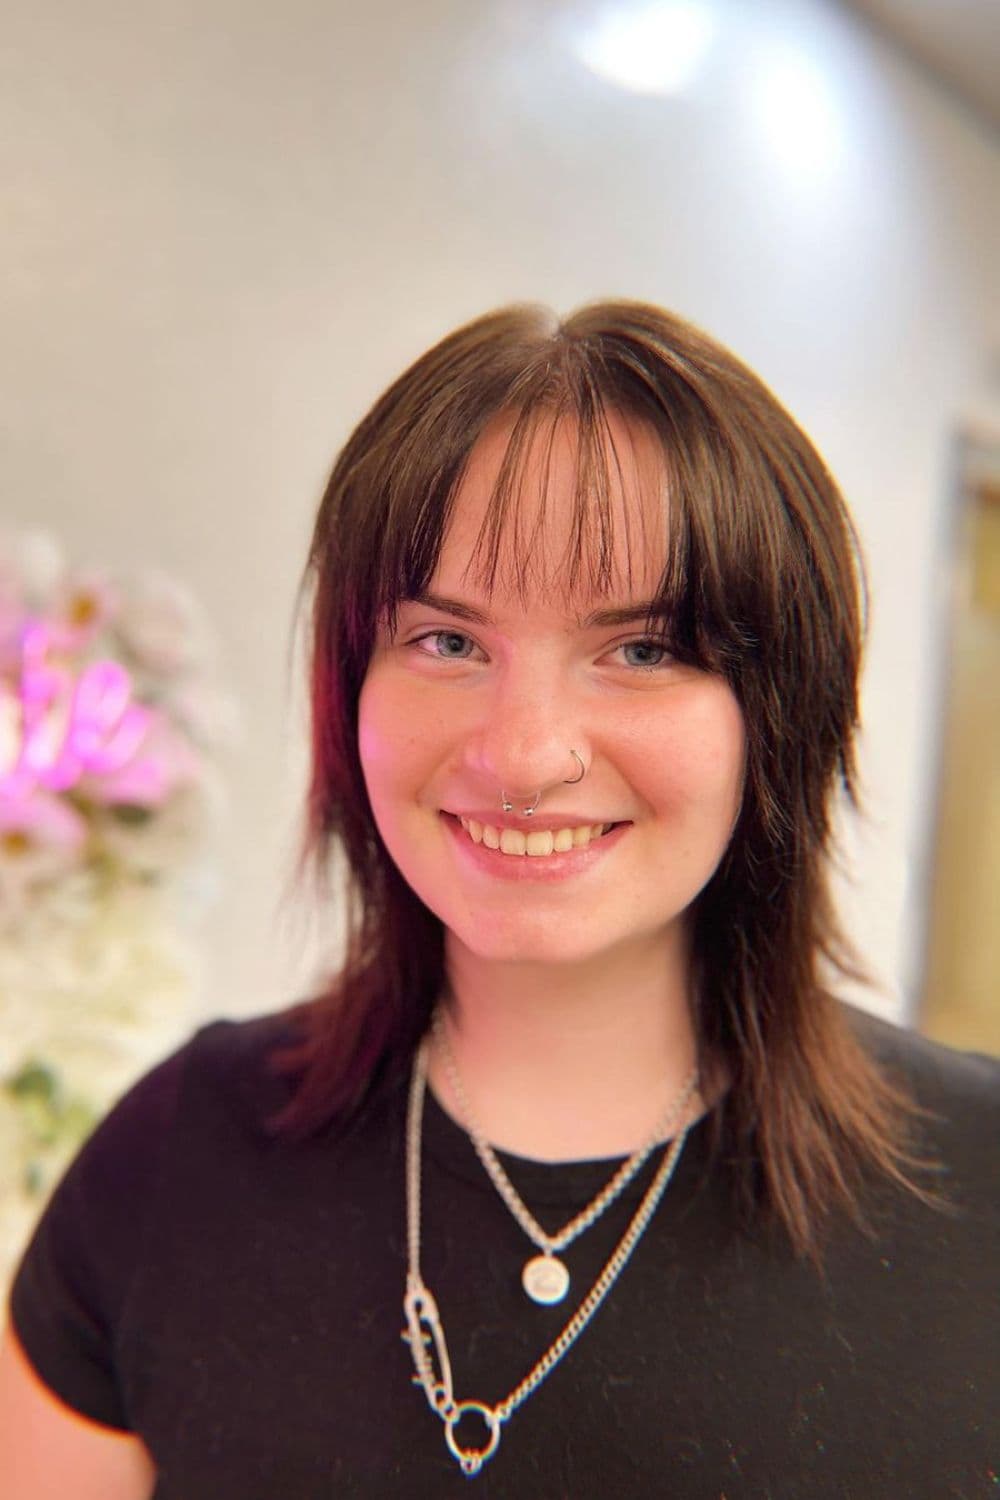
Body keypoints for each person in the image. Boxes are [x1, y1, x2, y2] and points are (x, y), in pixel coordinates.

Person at [1, 301, 996, 1499]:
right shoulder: (179, 1155)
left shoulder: (975, 1192)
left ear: (780, 711)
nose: (523, 755)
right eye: (444, 642)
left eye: (641, 650)